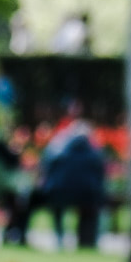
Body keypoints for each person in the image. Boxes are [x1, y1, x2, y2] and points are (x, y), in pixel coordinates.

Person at [38, 106, 107, 251]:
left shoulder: (57, 149)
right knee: (90, 210)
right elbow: (101, 176)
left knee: (58, 207)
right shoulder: (95, 154)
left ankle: (59, 237)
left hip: (59, 192)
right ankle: (86, 241)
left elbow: (46, 169)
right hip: (87, 195)